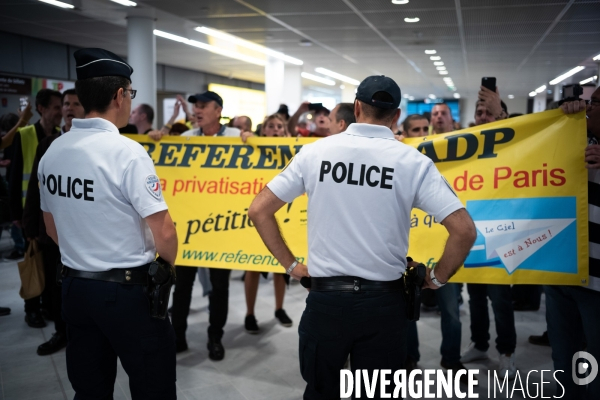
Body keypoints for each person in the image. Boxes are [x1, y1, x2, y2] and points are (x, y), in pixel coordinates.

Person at [248, 75, 477, 399]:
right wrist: (436, 280)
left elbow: (259, 210)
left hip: (326, 302)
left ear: (357, 107)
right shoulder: (413, 162)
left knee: (320, 391)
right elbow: (465, 230)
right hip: (385, 306)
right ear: (396, 115)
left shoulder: (316, 154)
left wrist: (291, 266)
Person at [38, 48, 178, 399]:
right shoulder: (127, 152)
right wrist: (165, 269)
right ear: (120, 95)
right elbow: (164, 231)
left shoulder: (53, 151)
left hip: (74, 288)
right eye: (130, 93)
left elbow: (52, 227)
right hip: (127, 293)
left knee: (90, 388)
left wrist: (85, 251)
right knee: (152, 386)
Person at [169, 90, 239, 360]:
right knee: (182, 285)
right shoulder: (185, 139)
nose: (197, 110)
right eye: (195, 106)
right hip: (189, 229)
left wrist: (252, 142)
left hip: (220, 228)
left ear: (218, 110)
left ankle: (215, 337)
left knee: (220, 287)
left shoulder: (236, 138)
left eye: (203, 106)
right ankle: (177, 337)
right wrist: (158, 138)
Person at [544, 89, 600, 400]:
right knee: (564, 361)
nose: (589, 106)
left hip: (597, 282)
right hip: (561, 271)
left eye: (596, 103)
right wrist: (562, 119)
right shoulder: (575, 137)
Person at [460, 85, 517, 379]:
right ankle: (480, 344)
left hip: (500, 234)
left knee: (500, 298)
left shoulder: (509, 141)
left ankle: (506, 351)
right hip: (473, 233)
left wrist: (500, 116)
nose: (482, 117)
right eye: (478, 112)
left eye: (487, 112)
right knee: (476, 296)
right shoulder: (466, 143)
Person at [23, 88, 85, 356]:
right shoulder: (48, 145)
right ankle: (62, 331)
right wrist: (30, 228)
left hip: (84, 233)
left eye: (75, 104)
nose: (68, 109)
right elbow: (35, 191)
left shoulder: (95, 147)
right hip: (53, 233)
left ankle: (85, 331)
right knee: (55, 287)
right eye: (65, 104)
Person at [8, 88, 62, 327]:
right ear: (41, 108)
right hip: (29, 210)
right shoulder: (26, 134)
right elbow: (15, 174)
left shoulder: (62, 136)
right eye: (56, 108)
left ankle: (49, 306)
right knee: (33, 262)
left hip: (52, 213)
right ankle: (32, 308)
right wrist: (16, 215)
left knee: (50, 266)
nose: (60, 113)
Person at [242, 113, 293, 333]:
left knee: (281, 268)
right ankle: (250, 313)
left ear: (285, 130)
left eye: (279, 126)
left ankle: (279, 308)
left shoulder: (293, 151)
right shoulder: (253, 149)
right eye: (270, 126)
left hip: (283, 216)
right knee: (252, 267)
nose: (275, 129)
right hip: (258, 216)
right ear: (263, 130)